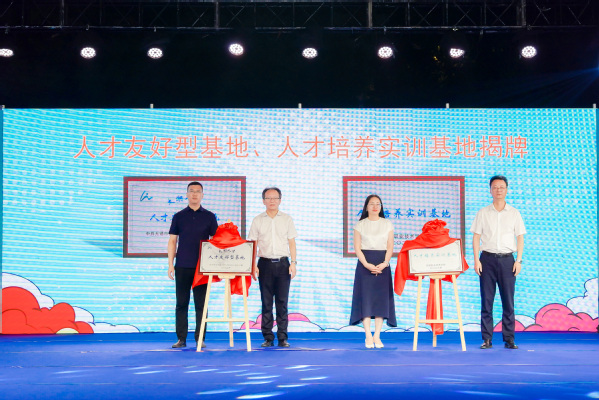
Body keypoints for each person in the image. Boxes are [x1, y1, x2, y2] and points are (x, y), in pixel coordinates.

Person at [471, 175, 525, 350]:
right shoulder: (483, 212)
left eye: (501, 187)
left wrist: (519, 260)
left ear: (506, 190)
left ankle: (509, 339)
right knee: (486, 301)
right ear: (490, 190)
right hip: (486, 260)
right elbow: (476, 237)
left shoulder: (514, 213)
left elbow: (520, 237)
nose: (498, 190)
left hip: (508, 260)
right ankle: (487, 339)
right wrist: (476, 260)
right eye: (495, 187)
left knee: (508, 301)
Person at [168, 182, 218, 349]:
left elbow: (216, 241)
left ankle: (200, 338)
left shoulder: (210, 216)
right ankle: (181, 339)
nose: (195, 194)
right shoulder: (179, 216)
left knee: (201, 305)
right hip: (182, 265)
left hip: (202, 268)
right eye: (191, 191)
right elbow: (172, 241)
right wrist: (170, 264)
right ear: (187, 194)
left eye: (198, 191)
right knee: (181, 303)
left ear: (202, 195)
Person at [248, 187, 298, 348]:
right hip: (264, 264)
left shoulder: (287, 219)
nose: (272, 201)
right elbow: (253, 244)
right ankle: (268, 337)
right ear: (263, 201)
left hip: (283, 264)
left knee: (282, 302)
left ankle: (282, 337)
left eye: (275, 198)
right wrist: (253, 264)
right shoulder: (257, 220)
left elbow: (292, 242)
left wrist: (293, 262)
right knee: (266, 302)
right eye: (268, 198)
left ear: (280, 200)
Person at [350, 194, 397, 348]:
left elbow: (390, 246)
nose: (375, 206)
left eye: (378, 204)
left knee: (380, 301)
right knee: (366, 301)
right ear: (366, 207)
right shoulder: (360, 225)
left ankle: (377, 335)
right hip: (365, 264)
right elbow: (357, 248)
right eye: (372, 204)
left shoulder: (387, 224)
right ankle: (368, 336)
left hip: (383, 264)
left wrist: (385, 263)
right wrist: (366, 264)